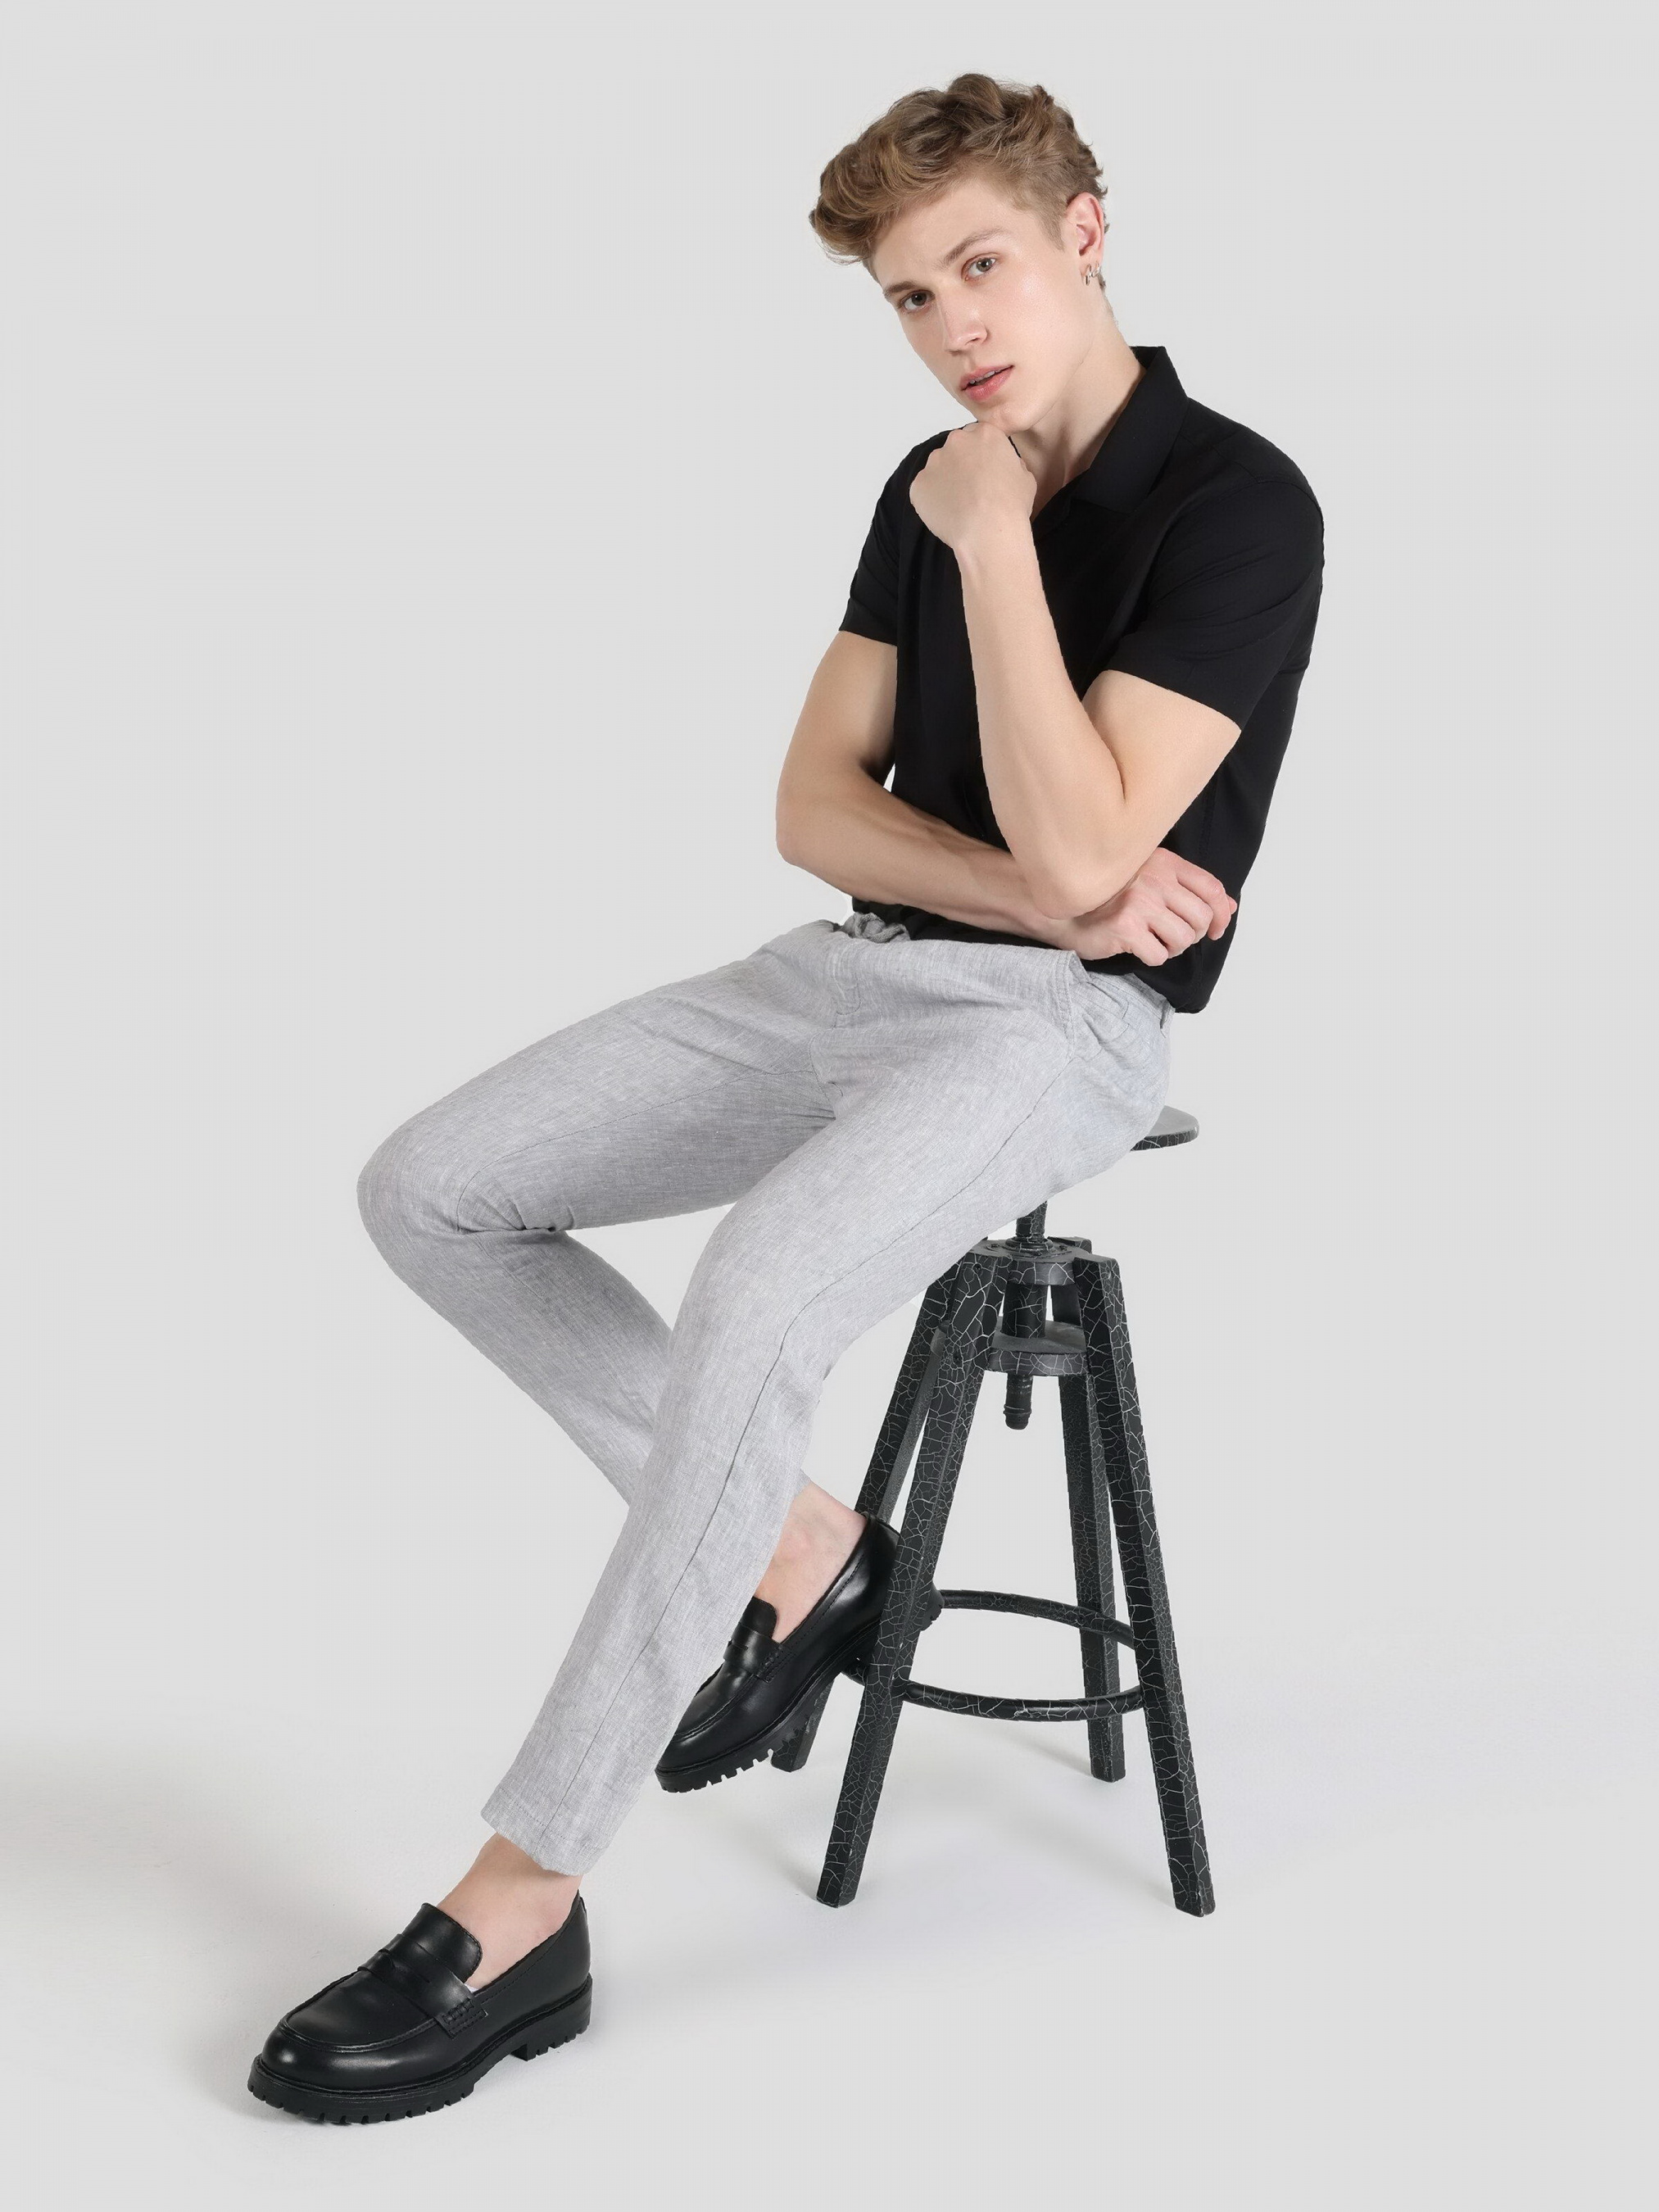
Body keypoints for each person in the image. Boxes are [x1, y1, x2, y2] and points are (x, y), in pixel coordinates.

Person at [247, 71, 1325, 2124]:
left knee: (756, 1296)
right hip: (844, 975)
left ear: (1083, 232)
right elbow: (813, 811)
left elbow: (1090, 856)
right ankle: (807, 1544)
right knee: (433, 1186)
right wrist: (1044, 876)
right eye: (909, 298)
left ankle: (521, 1900)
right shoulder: (917, 486)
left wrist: (995, 550)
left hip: (1056, 1035)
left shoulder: (1232, 503)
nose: (951, 329)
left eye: (979, 267)